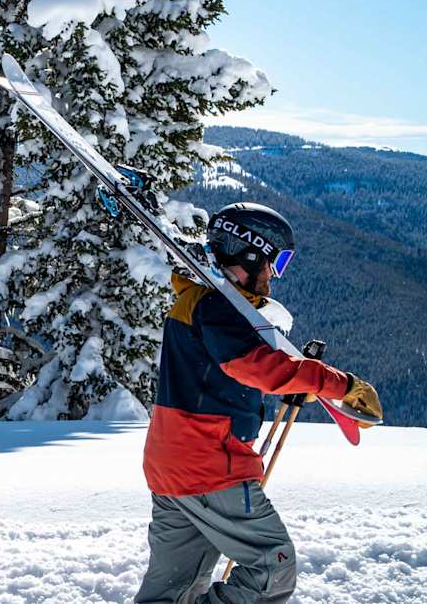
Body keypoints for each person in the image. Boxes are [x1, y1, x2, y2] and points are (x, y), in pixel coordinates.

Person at [135, 202, 383, 604]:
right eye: (274, 261)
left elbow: (216, 376)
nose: (273, 274)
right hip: (209, 465)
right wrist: (340, 384)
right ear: (250, 252)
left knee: (172, 588)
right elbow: (254, 367)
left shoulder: (198, 301)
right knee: (273, 569)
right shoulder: (216, 307)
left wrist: (291, 380)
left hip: (171, 465)